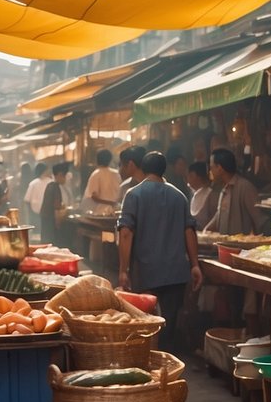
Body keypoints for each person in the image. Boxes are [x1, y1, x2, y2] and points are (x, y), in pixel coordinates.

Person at [117, 151, 203, 356]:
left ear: (143, 169)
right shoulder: (179, 196)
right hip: (175, 271)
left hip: (146, 271)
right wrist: (195, 265)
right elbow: (189, 231)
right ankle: (166, 360)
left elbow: (126, 232)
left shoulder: (134, 195)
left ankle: (149, 360)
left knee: (145, 320)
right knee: (170, 321)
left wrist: (123, 269)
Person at [204, 147, 266, 235]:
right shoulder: (224, 189)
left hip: (241, 247)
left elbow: (260, 220)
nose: (210, 172)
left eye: (212, 167)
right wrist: (206, 231)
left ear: (220, 168)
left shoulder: (245, 187)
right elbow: (219, 215)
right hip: (225, 247)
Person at [39, 162, 73, 248]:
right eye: (64, 176)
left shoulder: (50, 185)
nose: (65, 179)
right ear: (60, 175)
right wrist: (58, 223)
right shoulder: (55, 187)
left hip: (46, 221)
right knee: (52, 245)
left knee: (46, 245)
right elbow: (56, 207)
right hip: (51, 222)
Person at [81, 149, 121, 214]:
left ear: (97, 160)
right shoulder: (116, 174)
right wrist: (113, 203)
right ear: (110, 160)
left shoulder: (96, 174)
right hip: (115, 211)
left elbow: (93, 197)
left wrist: (110, 203)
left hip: (100, 213)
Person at [186, 161, 218, 226]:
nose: (188, 178)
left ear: (199, 177)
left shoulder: (211, 195)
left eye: (191, 175)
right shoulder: (192, 194)